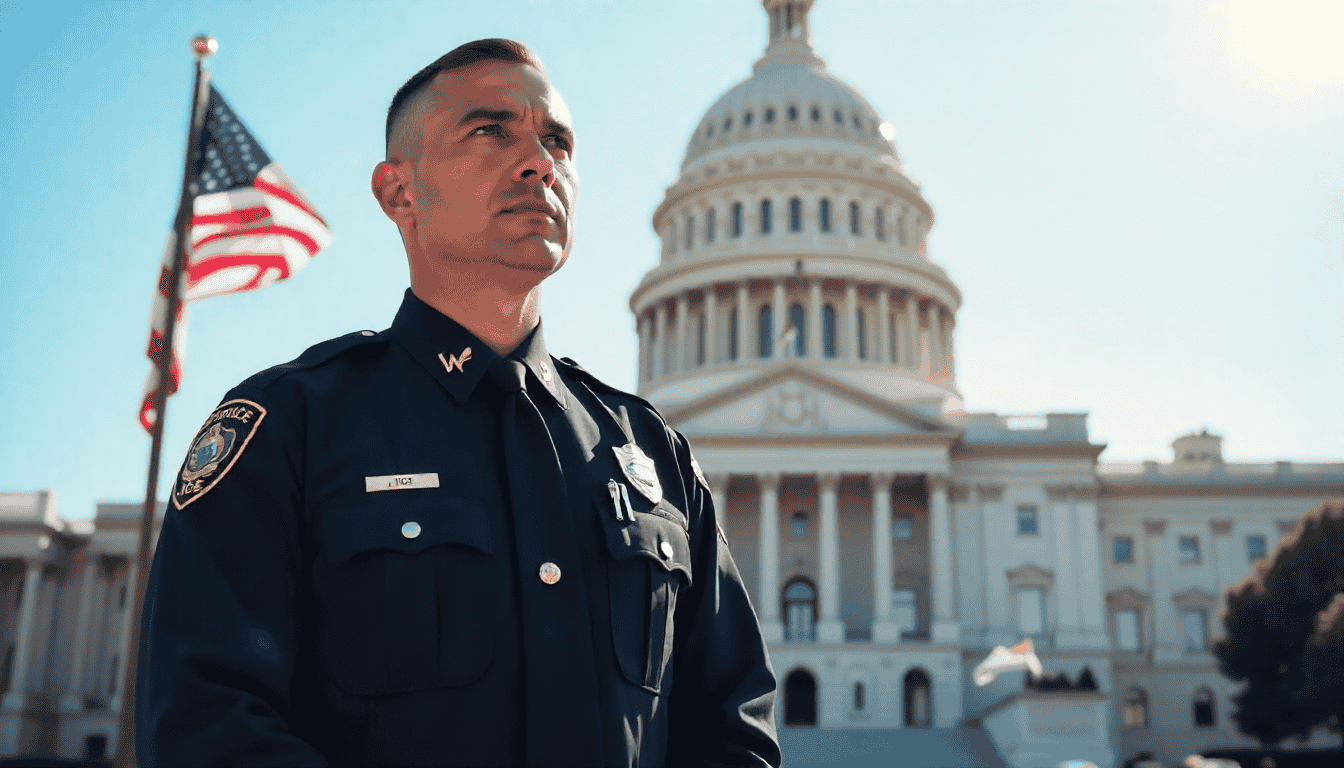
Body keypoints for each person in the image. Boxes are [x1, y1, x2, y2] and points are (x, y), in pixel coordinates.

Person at [135, 39, 781, 767]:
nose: (539, 161)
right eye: (490, 130)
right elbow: (206, 726)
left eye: (558, 141)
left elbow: (732, 729)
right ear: (398, 192)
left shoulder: (653, 455)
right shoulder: (291, 427)